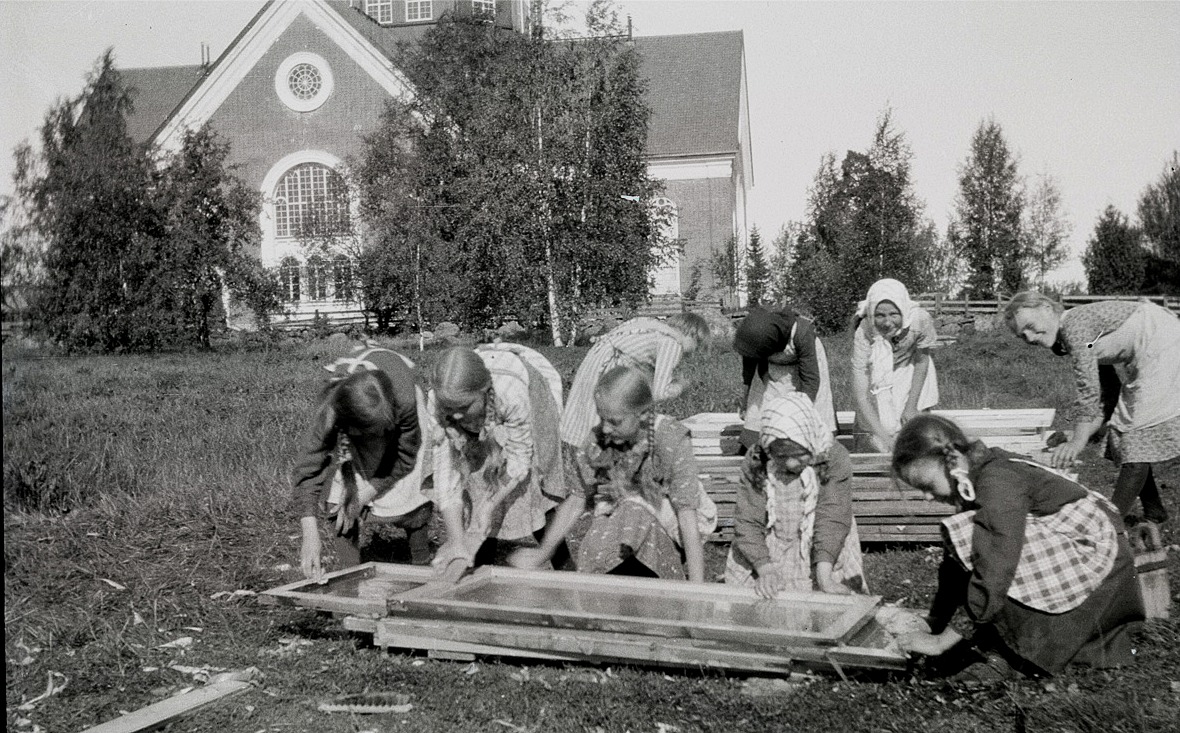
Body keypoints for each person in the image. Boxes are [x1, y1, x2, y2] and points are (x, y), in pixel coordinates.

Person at [891, 414, 1144, 681]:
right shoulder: (974, 475)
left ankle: (1021, 652)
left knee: (980, 540)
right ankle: (1002, 637)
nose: (927, 497)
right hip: (1087, 553)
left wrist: (940, 642)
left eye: (927, 486)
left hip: (1099, 565)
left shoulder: (996, 482)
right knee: (967, 536)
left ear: (950, 459)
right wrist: (936, 622)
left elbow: (996, 564)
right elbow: (954, 568)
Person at [517, 366, 712, 581]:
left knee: (633, 513)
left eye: (615, 421)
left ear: (644, 414)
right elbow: (576, 501)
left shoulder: (670, 441)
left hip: (670, 524)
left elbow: (686, 515)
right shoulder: (598, 442)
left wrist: (697, 589)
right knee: (604, 537)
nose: (607, 429)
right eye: (602, 419)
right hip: (618, 525)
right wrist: (544, 552)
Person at [1003, 292, 1180, 527]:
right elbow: (1107, 392)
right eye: (1021, 335)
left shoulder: (1074, 326)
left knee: (1135, 435)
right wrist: (1084, 433)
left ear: (1046, 308)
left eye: (1030, 326)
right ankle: (1154, 510)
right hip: (1156, 341)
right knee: (1123, 430)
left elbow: (1088, 391)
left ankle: (1108, 525)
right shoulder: (1079, 335)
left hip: (1161, 344)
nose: (1028, 335)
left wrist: (1077, 442)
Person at [292, 345, 433, 580]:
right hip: (360, 421)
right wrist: (310, 535)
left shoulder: (405, 400)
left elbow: (406, 456)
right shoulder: (331, 411)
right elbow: (309, 468)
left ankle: (421, 561)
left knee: (412, 492)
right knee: (339, 495)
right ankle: (350, 573)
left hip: (401, 415)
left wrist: (367, 493)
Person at [429, 344, 567, 574]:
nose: (455, 415)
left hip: (529, 392)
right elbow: (446, 472)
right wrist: (456, 539)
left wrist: (490, 505)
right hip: (489, 411)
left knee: (538, 489)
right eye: (448, 408)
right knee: (475, 478)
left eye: (463, 407)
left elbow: (520, 459)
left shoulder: (511, 395)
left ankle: (563, 562)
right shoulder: (438, 401)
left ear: (484, 391)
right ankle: (478, 560)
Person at [724, 393, 867, 597]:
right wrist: (765, 569)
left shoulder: (832, 456)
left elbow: (832, 516)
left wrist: (824, 578)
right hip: (766, 547)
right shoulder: (757, 459)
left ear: (810, 440)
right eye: (781, 456)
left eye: (799, 455)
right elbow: (748, 519)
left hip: (825, 545)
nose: (791, 463)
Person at [560, 313, 710, 459]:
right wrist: (681, 387)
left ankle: (580, 455)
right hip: (612, 369)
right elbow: (660, 392)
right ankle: (601, 460)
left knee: (590, 410)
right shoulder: (672, 343)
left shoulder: (651, 327)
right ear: (691, 334)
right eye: (697, 345)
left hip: (596, 361)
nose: (692, 354)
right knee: (611, 415)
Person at [850, 278, 940, 451]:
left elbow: (922, 361)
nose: (887, 322)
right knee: (874, 436)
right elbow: (861, 394)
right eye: (880, 315)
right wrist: (883, 437)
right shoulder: (864, 331)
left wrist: (911, 406)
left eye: (893, 314)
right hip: (878, 371)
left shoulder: (919, 320)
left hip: (912, 368)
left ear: (903, 310)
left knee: (913, 429)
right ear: (871, 314)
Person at [733, 305, 837, 445]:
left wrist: (800, 414)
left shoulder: (802, 333)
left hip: (806, 367)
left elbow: (810, 380)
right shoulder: (754, 337)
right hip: (772, 369)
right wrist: (745, 399)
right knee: (760, 413)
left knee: (809, 421)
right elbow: (749, 371)